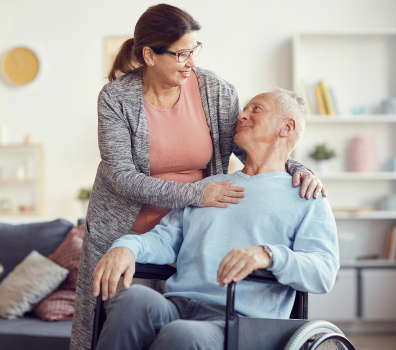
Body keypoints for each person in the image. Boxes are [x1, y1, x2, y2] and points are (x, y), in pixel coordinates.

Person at [70, 4, 325, 350]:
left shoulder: (215, 91)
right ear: (149, 55)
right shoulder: (117, 98)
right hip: (138, 223)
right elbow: (121, 176)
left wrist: (299, 170)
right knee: (109, 312)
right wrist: (134, 240)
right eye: (181, 53)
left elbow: (253, 147)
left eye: (195, 50)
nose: (191, 60)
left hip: (200, 224)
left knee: (180, 333)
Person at [92, 88, 339, 350]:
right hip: (177, 304)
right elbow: (165, 239)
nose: (241, 115)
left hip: (240, 321)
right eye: (245, 109)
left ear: (287, 128)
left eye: (256, 109)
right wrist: (126, 247)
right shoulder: (210, 187)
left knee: (182, 335)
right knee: (132, 299)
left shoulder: (306, 195)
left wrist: (268, 255)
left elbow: (323, 271)